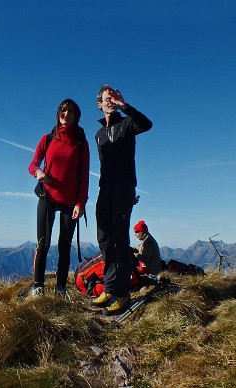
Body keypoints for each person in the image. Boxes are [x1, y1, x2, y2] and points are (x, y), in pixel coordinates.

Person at [89, 84, 154, 315]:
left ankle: (122, 295)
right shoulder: (98, 135)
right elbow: (103, 165)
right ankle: (108, 288)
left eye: (112, 98)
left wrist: (124, 105)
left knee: (119, 239)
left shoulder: (127, 124)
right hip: (104, 190)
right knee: (104, 239)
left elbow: (147, 124)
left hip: (123, 188)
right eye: (106, 99)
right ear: (99, 104)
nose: (110, 101)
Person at [27, 99, 89, 298]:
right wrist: (38, 173)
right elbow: (32, 164)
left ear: (76, 116)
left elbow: (85, 175)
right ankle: (38, 287)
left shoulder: (80, 142)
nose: (66, 114)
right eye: (63, 110)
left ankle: (60, 289)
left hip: (70, 203)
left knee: (64, 246)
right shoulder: (47, 139)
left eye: (70, 111)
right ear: (58, 114)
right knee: (42, 244)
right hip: (47, 197)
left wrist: (81, 203)